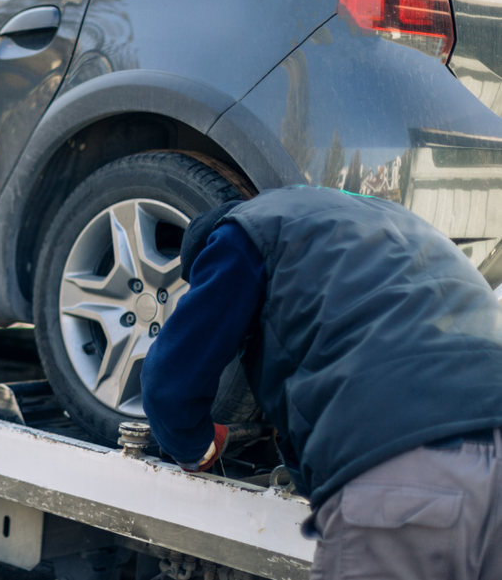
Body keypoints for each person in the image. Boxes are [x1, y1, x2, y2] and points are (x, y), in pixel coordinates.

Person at [140, 185, 502, 578]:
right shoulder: (390, 222)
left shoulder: (241, 234)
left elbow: (169, 381)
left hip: (402, 468)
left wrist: (193, 446)